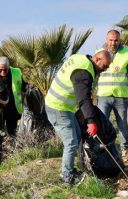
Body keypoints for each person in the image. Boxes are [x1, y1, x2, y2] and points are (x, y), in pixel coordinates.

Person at [45, 50, 112, 185]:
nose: (104, 70)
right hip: (57, 108)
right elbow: (83, 99)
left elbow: (82, 92)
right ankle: (67, 177)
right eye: (104, 66)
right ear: (97, 59)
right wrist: (91, 121)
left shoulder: (80, 59)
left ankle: (72, 169)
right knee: (71, 142)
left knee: (77, 135)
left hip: (64, 107)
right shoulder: (84, 72)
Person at [96, 29, 128, 155]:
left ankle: (125, 147)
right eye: (110, 40)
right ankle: (103, 147)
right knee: (102, 123)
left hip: (121, 95)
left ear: (119, 40)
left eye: (116, 40)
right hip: (103, 95)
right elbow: (94, 73)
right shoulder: (98, 53)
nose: (113, 43)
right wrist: (89, 90)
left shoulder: (126, 53)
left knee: (122, 122)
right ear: (106, 39)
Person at [0, 57, 27, 136]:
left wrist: (28, 86)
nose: (2, 72)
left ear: (9, 66)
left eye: (5, 69)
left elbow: (23, 86)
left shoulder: (16, 72)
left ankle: (14, 147)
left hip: (12, 108)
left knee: (12, 132)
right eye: (0, 70)